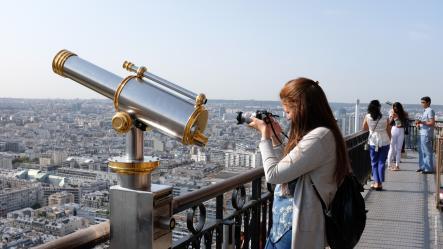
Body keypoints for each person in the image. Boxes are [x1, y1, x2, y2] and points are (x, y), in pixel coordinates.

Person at [249, 78, 351, 248]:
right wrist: (275, 137)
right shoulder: (321, 134)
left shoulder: (319, 137)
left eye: (288, 112)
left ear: (302, 108)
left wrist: (264, 136)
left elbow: (274, 175)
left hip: (295, 227)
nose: (287, 118)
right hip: (283, 226)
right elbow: (290, 166)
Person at [362, 100, 391, 191]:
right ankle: (379, 182)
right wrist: (389, 140)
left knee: (374, 162)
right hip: (384, 141)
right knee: (381, 162)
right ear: (379, 107)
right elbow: (388, 130)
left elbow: (364, 128)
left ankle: (376, 183)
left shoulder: (367, 116)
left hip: (373, 141)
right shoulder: (385, 117)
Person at [416, 96, 435, 174]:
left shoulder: (430, 110)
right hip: (423, 133)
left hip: (426, 134)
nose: (422, 104)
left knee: (427, 151)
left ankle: (429, 168)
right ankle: (423, 167)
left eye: (423, 102)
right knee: (421, 151)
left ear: (428, 102)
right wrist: (419, 124)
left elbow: (432, 122)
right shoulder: (425, 111)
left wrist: (421, 122)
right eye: (421, 102)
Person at [387, 102, 408, 171]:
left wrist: (396, 118)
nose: (395, 109)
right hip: (396, 130)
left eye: (396, 108)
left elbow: (404, 124)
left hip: (398, 130)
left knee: (398, 149)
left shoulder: (404, 114)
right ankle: (390, 165)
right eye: (394, 108)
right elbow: (390, 123)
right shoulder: (395, 114)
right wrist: (393, 118)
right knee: (392, 148)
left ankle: (396, 165)